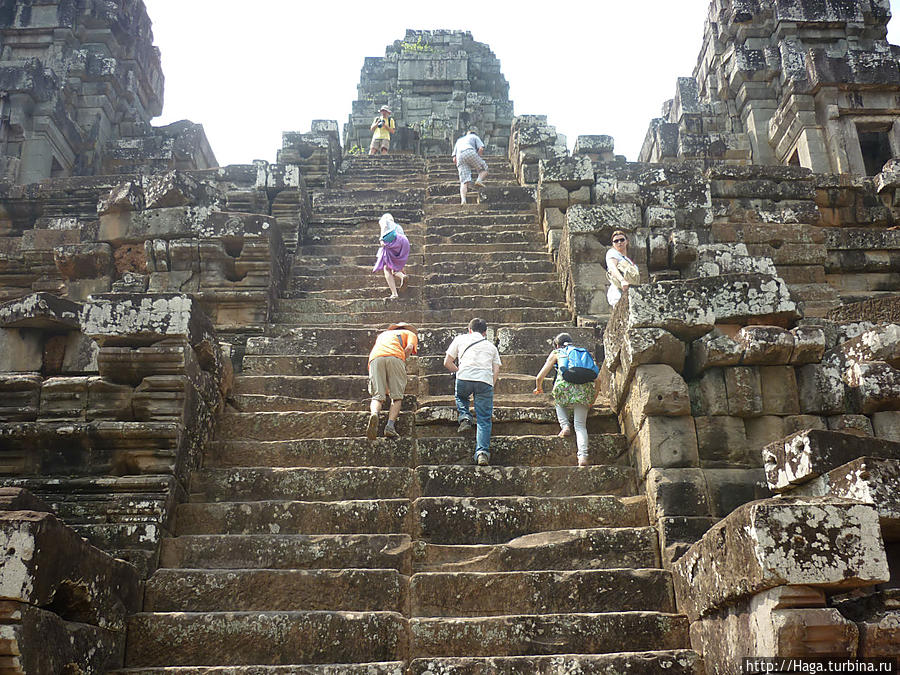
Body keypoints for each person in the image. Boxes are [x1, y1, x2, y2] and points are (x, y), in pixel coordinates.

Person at [533, 333, 602, 467]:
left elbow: (539, 377)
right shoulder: (583, 354)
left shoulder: (557, 352)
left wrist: (538, 388)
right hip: (584, 391)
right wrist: (593, 398)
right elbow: (598, 379)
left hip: (564, 389)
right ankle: (582, 457)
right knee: (580, 426)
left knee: (558, 401)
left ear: (557, 345)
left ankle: (565, 426)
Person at [443, 317, 501, 466]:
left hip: (464, 377)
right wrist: (490, 385)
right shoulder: (491, 347)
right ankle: (482, 453)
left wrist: (459, 372)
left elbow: (447, 363)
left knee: (461, 396)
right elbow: (496, 370)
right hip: (485, 382)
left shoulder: (460, 339)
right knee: (484, 419)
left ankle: (464, 417)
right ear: (485, 332)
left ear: (469, 330)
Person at [366, 322, 418, 440]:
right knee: (396, 397)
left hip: (375, 358)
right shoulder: (410, 334)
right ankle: (390, 426)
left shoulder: (383, 334)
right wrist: (401, 360)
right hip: (395, 357)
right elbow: (409, 347)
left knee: (377, 396)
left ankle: (374, 414)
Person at [373, 213, 409, 300]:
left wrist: (381, 239)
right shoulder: (398, 226)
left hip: (393, 241)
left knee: (386, 267)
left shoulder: (384, 220)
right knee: (394, 265)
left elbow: (384, 226)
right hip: (405, 242)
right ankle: (401, 275)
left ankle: (394, 293)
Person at [452, 129, 488, 205]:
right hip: (469, 152)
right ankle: (479, 180)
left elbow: (454, 159)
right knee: (484, 169)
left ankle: (463, 200)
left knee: (464, 181)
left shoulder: (459, 140)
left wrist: (460, 166)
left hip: (459, 157)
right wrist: (477, 158)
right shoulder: (474, 136)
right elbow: (481, 148)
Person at [606, 229, 638, 307]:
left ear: (627, 241)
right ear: (613, 244)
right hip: (618, 291)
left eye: (622, 240)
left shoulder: (628, 260)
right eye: (616, 241)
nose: (619, 242)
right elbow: (612, 268)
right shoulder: (612, 253)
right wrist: (622, 280)